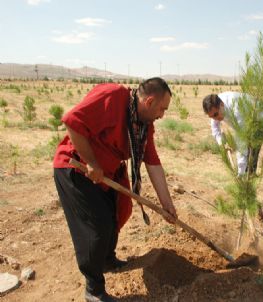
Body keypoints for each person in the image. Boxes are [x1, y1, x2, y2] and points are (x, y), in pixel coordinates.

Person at [53, 77, 177, 302]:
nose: (162, 115)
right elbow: (72, 122)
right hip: (77, 168)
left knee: (116, 214)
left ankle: (107, 260)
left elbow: (153, 162)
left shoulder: (143, 125)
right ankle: (94, 289)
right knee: (97, 226)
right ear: (149, 101)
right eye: (162, 109)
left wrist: (167, 203)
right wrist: (92, 163)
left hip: (106, 174)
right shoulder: (112, 96)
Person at [202, 92, 263, 176]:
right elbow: (215, 129)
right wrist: (221, 142)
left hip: (260, 117)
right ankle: (245, 179)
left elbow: (241, 139)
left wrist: (240, 170)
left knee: (251, 151)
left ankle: (248, 181)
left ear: (222, 105)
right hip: (246, 121)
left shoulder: (236, 107)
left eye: (216, 114)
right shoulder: (214, 108)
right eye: (211, 117)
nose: (215, 118)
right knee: (247, 154)